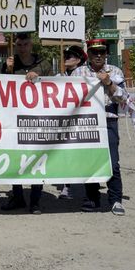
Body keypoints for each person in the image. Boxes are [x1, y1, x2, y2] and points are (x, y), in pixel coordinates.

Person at [71, 39, 127, 216]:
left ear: (106, 53)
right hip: (87, 122)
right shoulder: (78, 72)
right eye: (94, 52)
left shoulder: (115, 71)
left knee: (113, 162)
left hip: (108, 120)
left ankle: (116, 199)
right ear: (88, 53)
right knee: (90, 162)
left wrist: (109, 83)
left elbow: (123, 99)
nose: (98, 55)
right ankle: (92, 198)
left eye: (101, 52)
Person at [0, 33, 53, 214]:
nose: (22, 48)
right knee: (16, 158)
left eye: (25, 44)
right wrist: (8, 71)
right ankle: (17, 197)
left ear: (31, 45)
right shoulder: (9, 63)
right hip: (14, 119)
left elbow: (55, 86)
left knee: (37, 158)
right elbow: (0, 88)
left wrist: (39, 78)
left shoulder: (44, 64)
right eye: (19, 45)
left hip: (37, 118)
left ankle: (35, 201)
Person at [55, 45, 87, 200]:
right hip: (64, 120)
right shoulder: (59, 76)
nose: (66, 58)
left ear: (78, 60)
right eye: (65, 56)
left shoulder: (85, 76)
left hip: (81, 120)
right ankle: (67, 186)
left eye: (70, 56)